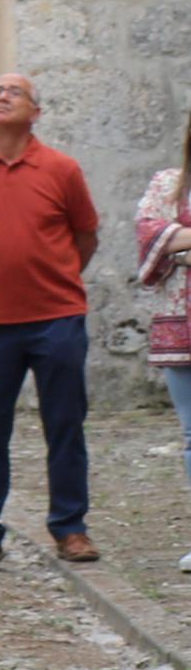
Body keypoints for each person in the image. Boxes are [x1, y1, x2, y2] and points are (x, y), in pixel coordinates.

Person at [0, 72, 103, 570]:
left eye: (15, 91)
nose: (3, 96)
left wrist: (52, 280)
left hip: (57, 318)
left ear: (36, 112)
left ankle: (70, 528)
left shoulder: (62, 170)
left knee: (65, 424)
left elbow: (85, 237)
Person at [135, 113, 191, 575]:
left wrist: (180, 241)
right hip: (183, 331)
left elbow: (169, 238)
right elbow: (149, 233)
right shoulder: (168, 183)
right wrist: (175, 239)